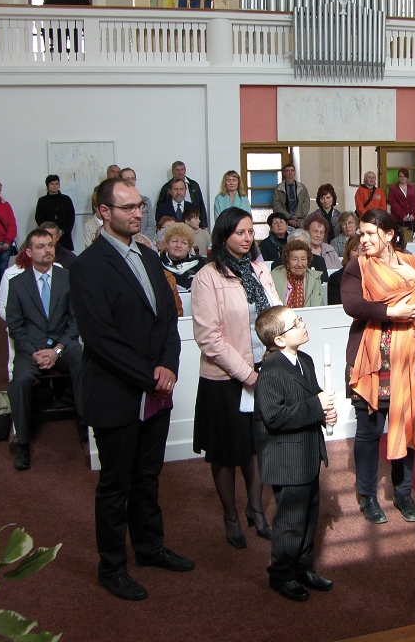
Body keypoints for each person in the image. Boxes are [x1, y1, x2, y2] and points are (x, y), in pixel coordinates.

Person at [69, 177, 192, 602]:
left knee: (148, 477)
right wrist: (149, 375)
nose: (137, 213)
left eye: (139, 206)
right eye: (127, 208)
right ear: (104, 212)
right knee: (115, 485)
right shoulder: (86, 266)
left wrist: (168, 366)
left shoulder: (146, 253)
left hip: (155, 387)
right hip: (116, 391)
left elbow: (168, 320)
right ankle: (112, 566)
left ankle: (149, 547)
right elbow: (100, 339)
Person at [341, 208, 415, 525]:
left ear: (389, 235)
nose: (364, 239)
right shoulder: (356, 267)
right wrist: (393, 312)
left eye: (371, 233)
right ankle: (367, 497)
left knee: (406, 426)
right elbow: (353, 305)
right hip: (370, 359)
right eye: (362, 233)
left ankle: (403, 495)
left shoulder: (414, 263)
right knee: (369, 432)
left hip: (409, 360)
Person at [191, 207, 280, 551]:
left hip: (264, 369)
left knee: (257, 445)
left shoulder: (260, 269)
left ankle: (255, 509)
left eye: (249, 232)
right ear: (223, 235)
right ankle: (230, 516)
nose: (246, 239)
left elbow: (275, 314)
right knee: (226, 452)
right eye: (239, 233)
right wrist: (246, 374)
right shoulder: (208, 277)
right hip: (225, 378)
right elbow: (209, 337)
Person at [252, 306, 337, 602]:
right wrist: (316, 406)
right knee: (290, 520)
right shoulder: (271, 372)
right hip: (287, 459)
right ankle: (282, 573)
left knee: (310, 513)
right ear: (278, 340)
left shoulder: (306, 360)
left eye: (299, 319)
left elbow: (312, 396)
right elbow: (274, 418)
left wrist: (325, 413)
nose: (303, 324)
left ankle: (303, 566)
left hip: (307, 452)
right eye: (295, 323)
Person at [6, 229, 83, 471]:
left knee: (82, 361)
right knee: (19, 382)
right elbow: (15, 327)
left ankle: (85, 424)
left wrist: (57, 350)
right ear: (29, 252)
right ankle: (23, 443)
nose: (47, 250)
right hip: (32, 350)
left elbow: (75, 321)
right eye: (40, 246)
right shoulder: (17, 284)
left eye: (50, 245)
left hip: (62, 346)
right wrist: (35, 352)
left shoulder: (67, 277)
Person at [271, 240, 323, 308]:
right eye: (295, 259)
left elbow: (316, 308)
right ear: (287, 262)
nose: (299, 264)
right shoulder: (274, 277)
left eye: (303, 259)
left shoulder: (314, 278)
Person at [157, 161, 207, 228]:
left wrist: (204, 225)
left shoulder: (194, 185)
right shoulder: (165, 188)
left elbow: (201, 204)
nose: (179, 192)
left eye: (182, 169)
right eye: (177, 170)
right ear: (170, 191)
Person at [159, 223, 207, 290]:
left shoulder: (201, 265)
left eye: (184, 243)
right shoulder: (157, 265)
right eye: (175, 241)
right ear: (167, 244)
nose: (179, 245)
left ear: (189, 248)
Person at [35, 175, 76, 251]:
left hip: (64, 236)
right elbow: (39, 217)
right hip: (48, 235)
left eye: (56, 184)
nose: (55, 186)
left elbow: (70, 217)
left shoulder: (66, 199)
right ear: (47, 185)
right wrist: (48, 231)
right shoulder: (42, 201)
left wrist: (62, 231)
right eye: (52, 184)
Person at [118, 169, 156, 243]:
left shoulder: (145, 201)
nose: (131, 181)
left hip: (144, 243)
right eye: (127, 179)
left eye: (133, 179)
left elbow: (151, 225)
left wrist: (143, 241)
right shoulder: (117, 202)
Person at [272, 163, 310, 229]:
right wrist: (289, 217)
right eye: (287, 171)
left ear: (295, 172)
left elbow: (306, 204)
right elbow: (276, 206)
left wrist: (296, 216)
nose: (290, 172)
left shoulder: (302, 188)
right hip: (284, 221)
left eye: (292, 170)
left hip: (300, 221)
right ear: (284, 173)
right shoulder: (278, 188)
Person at [327, 236, 361, 305]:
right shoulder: (335, 278)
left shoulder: (374, 275)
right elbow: (335, 308)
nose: (359, 254)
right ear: (348, 253)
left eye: (363, 250)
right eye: (355, 250)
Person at [388, 168, 415, 236]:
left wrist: (413, 214)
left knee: (412, 237)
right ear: (398, 177)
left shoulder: (412, 188)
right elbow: (393, 203)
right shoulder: (393, 188)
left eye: (404, 176)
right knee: (399, 238)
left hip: (411, 219)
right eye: (400, 176)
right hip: (398, 219)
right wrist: (402, 215)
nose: (402, 178)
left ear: (407, 177)